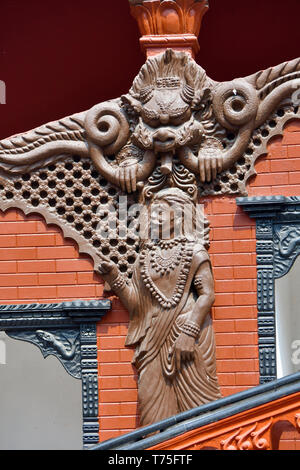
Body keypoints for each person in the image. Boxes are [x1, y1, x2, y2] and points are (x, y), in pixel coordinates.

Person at [98, 187, 221, 426]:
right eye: (152, 212)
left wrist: (189, 331)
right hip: (154, 339)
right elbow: (137, 305)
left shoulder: (194, 251)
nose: (153, 217)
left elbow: (207, 294)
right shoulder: (146, 257)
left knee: (201, 415)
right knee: (151, 415)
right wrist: (115, 277)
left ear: (179, 215)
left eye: (160, 213)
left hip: (188, 338)